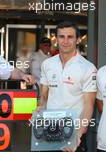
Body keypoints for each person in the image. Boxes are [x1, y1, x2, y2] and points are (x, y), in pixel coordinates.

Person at [37, 21, 97, 152]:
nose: (65, 41)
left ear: (78, 40)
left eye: (70, 37)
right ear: (56, 39)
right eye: (61, 36)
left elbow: (88, 105)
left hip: (73, 130)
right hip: (50, 128)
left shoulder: (87, 68)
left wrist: (78, 135)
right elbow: (44, 96)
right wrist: (40, 110)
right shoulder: (47, 64)